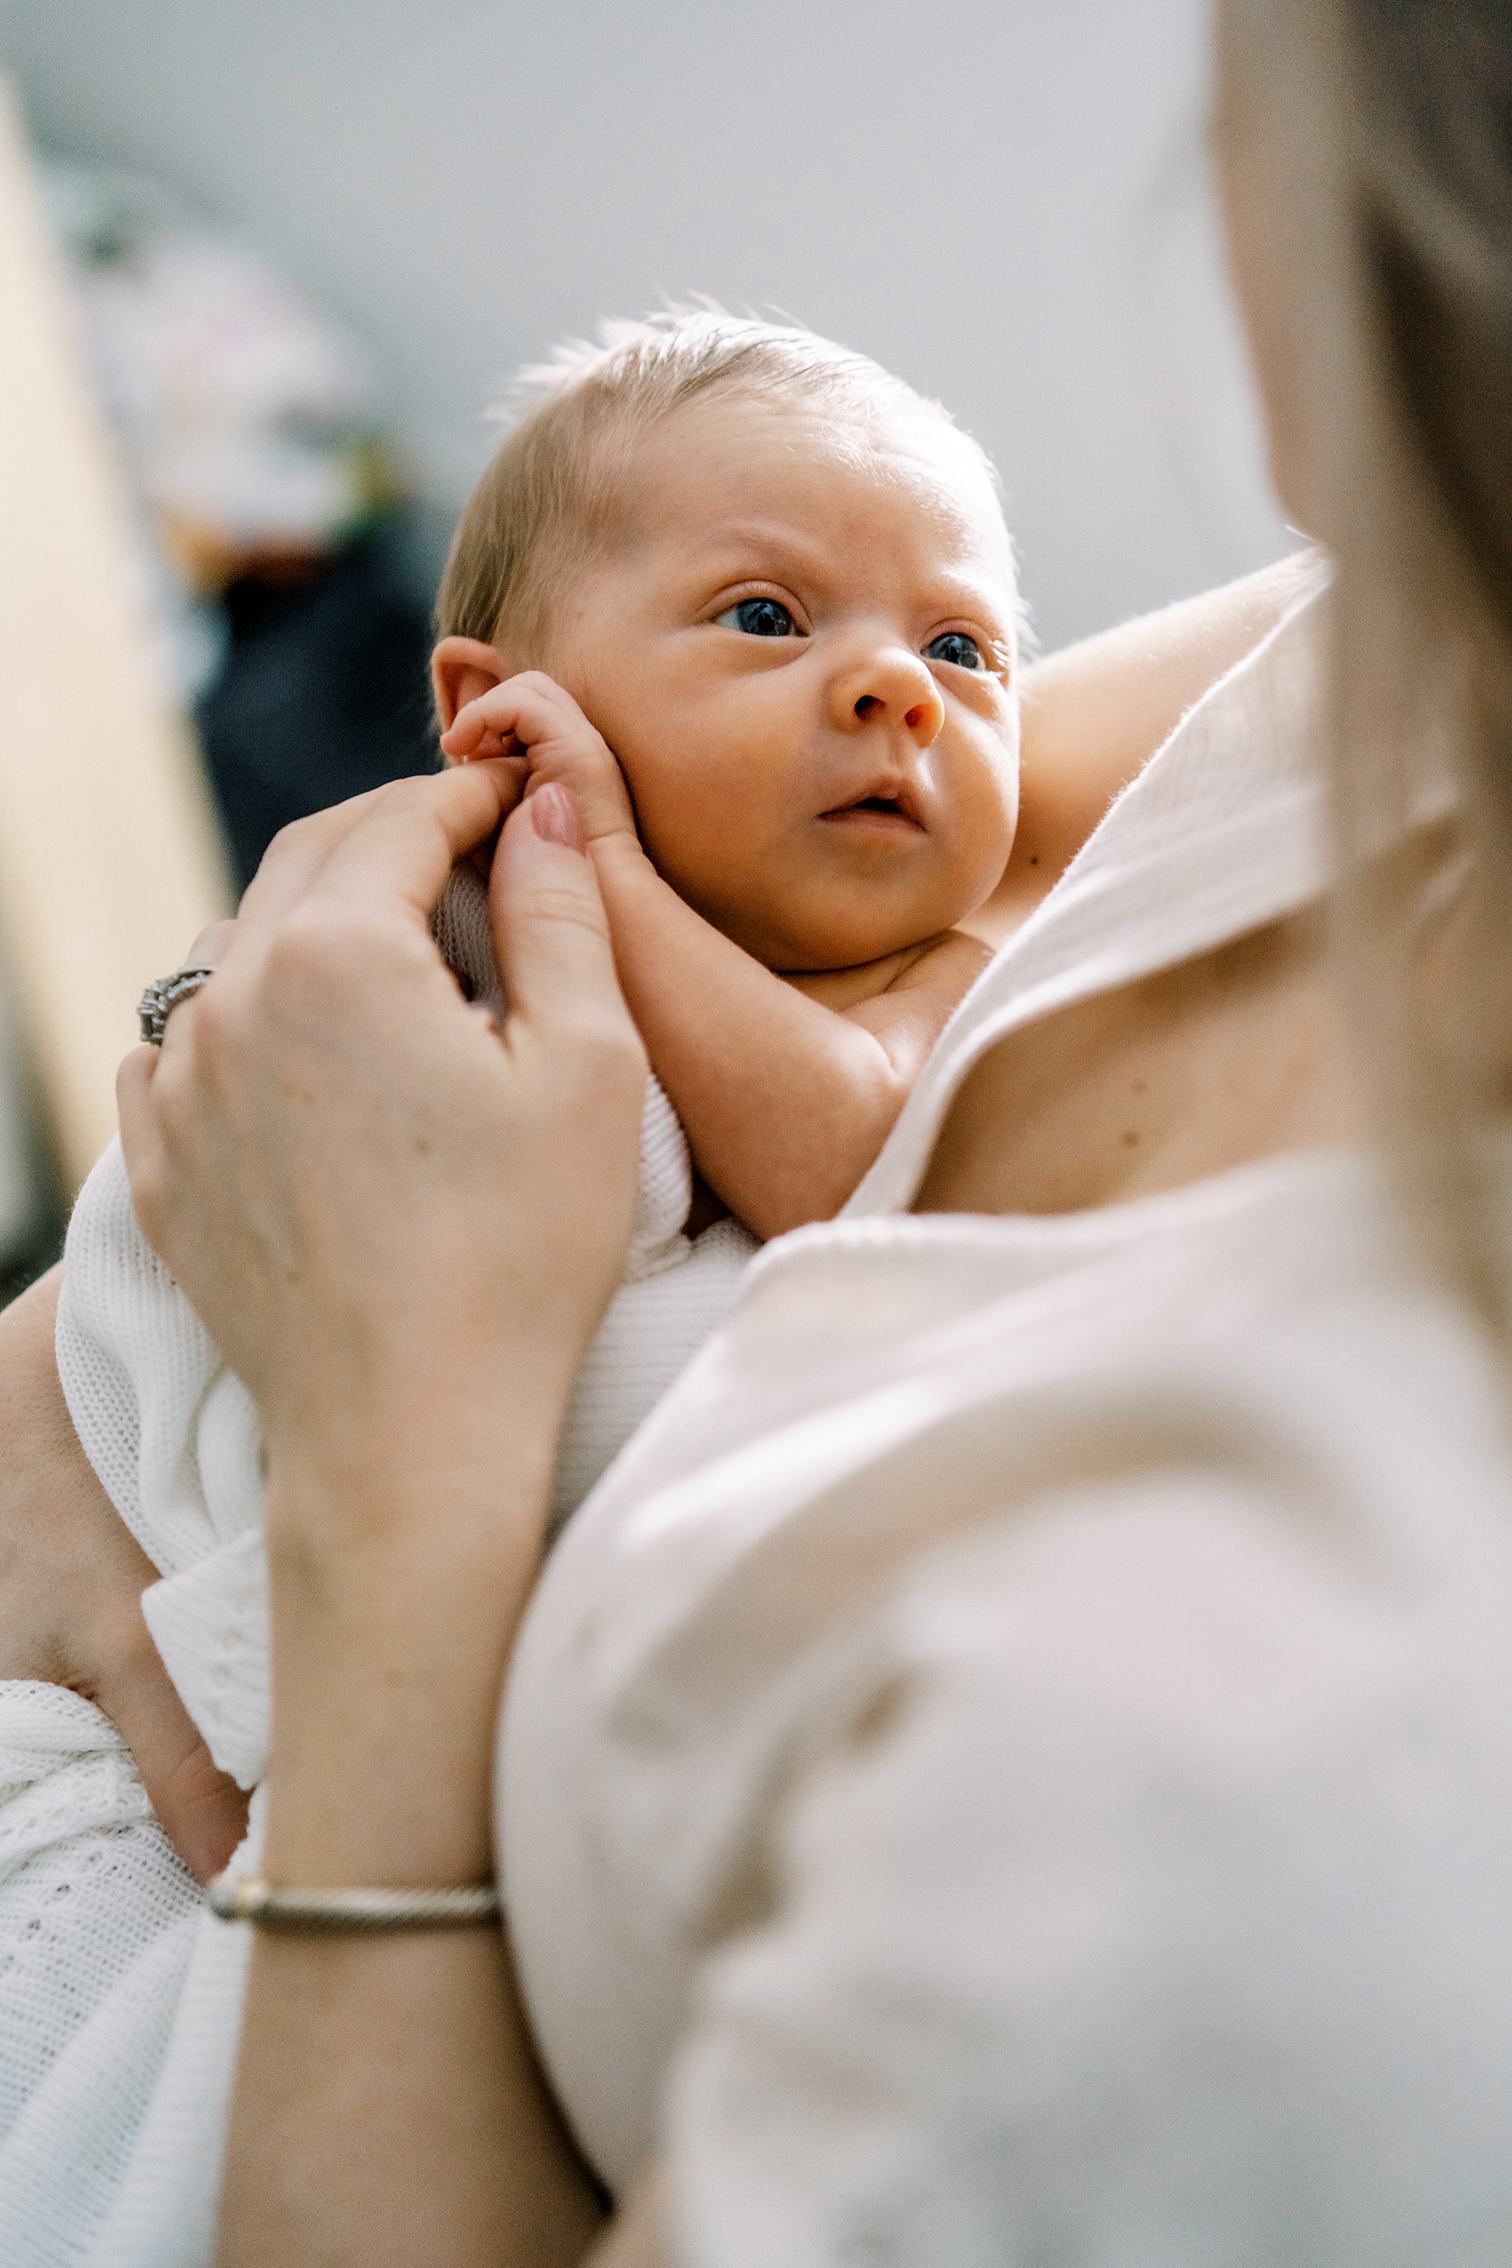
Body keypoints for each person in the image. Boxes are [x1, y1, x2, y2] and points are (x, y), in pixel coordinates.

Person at [9, 0, 1507, 2260]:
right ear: (501, 711)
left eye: (971, 655)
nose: (900, 690)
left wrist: (589, 892)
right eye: (765, 615)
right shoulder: (1385, 639)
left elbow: (842, 1149)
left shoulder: (909, 979)